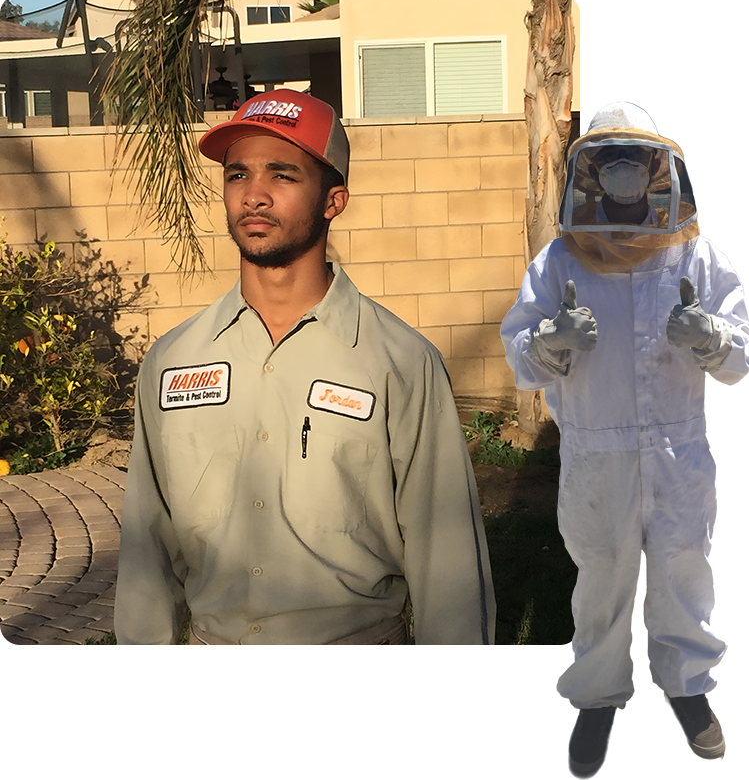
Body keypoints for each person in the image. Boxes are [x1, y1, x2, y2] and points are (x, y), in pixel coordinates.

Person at [114, 89, 496, 648]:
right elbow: (147, 539)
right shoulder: (174, 361)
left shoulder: (399, 362)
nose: (255, 195)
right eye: (238, 174)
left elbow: (448, 557)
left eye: (283, 175)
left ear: (333, 199)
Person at [500, 102, 749, 777]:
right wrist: (548, 340)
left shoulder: (698, 258)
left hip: (679, 454)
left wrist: (714, 335)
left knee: (683, 573)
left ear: (658, 171)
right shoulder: (560, 261)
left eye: (634, 162)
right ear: (590, 173)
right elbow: (520, 348)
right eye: (607, 162)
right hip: (595, 454)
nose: (621, 175)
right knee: (602, 582)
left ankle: (688, 689)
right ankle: (597, 697)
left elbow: (744, 347)